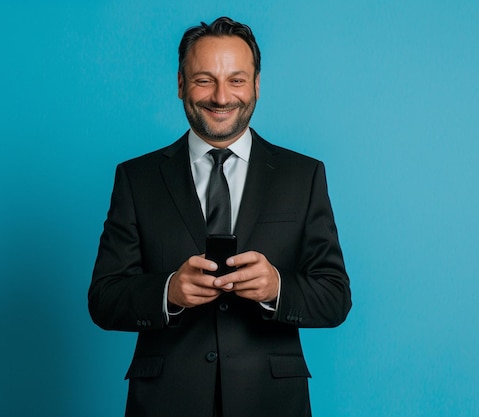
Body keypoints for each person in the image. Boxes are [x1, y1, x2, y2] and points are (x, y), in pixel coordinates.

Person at [88, 16, 351, 417]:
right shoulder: (136, 178)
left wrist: (276, 287)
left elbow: (335, 297)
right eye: (204, 79)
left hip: (271, 402)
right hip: (165, 403)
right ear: (180, 84)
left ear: (257, 85)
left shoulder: (303, 175)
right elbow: (103, 298)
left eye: (237, 80)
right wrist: (169, 291)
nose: (221, 96)